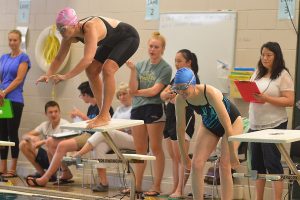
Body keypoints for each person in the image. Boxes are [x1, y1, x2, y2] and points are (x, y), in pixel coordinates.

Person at [36, 7, 140, 129]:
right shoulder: (68, 35)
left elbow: (87, 59)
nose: (61, 32)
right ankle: (103, 113)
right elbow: (59, 58)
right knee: (91, 70)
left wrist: (66, 76)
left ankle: (104, 115)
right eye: (59, 29)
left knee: (108, 69)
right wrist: (48, 74)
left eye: (63, 28)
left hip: (128, 37)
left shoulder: (89, 27)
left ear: (74, 25)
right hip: (111, 42)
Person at [174, 67, 243, 200]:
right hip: (210, 126)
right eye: (177, 89)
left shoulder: (209, 92)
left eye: (184, 88)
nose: (181, 92)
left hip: (232, 123)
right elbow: (180, 129)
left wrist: (233, 155)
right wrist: (184, 157)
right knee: (196, 164)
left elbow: (227, 124)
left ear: (193, 84)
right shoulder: (180, 99)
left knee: (224, 164)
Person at [26, 81, 112, 187]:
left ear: (86, 94)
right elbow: (89, 124)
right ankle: (65, 172)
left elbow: (104, 125)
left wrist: (81, 115)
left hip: (95, 137)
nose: (82, 98)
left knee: (61, 145)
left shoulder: (104, 106)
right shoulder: (91, 107)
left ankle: (45, 177)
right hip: (86, 134)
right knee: (50, 142)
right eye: (50, 112)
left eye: (81, 95)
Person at [125, 32, 172, 196]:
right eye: (151, 46)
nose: (152, 49)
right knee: (139, 149)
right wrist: (132, 71)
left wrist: (137, 92)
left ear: (162, 49)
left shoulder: (165, 68)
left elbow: (155, 92)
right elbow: (131, 90)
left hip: (154, 108)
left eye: (156, 47)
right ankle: (136, 185)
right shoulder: (139, 65)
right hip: (138, 108)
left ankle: (157, 186)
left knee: (155, 147)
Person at [249, 42, 294, 200]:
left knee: (272, 163)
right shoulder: (257, 73)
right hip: (255, 124)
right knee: (256, 165)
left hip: (274, 124)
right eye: (263, 55)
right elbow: (252, 93)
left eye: (269, 55)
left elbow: (290, 101)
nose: (265, 58)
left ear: (277, 56)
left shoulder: (283, 74)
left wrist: (266, 98)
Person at [73, 82, 135, 192]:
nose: (122, 97)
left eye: (124, 94)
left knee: (107, 132)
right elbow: (111, 124)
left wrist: (117, 128)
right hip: (118, 137)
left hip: (133, 139)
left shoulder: (135, 108)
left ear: (130, 94)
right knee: (99, 145)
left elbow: (133, 128)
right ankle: (103, 182)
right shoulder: (119, 109)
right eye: (120, 95)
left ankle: (79, 154)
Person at [160, 49, 200, 198]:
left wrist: (170, 96)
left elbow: (181, 98)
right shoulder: (176, 78)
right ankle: (175, 187)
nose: (176, 64)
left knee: (182, 157)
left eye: (179, 61)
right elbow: (163, 94)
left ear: (189, 62)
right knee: (174, 158)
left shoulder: (192, 78)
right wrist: (168, 95)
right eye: (175, 61)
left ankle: (180, 189)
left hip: (183, 120)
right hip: (170, 119)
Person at [0, 29, 31, 178]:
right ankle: (3, 167)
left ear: (20, 41)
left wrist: (5, 91)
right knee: (2, 133)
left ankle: (13, 167)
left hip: (14, 99)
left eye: (15, 40)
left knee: (12, 132)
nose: (12, 43)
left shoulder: (23, 58)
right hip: (2, 100)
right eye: (10, 40)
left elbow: (18, 79)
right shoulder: (3, 58)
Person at [19, 101, 68, 180]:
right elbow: (25, 135)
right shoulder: (45, 125)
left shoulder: (65, 125)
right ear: (46, 114)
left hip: (60, 158)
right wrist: (31, 138)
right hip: (47, 156)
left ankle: (53, 174)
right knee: (23, 144)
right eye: (50, 112)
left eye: (56, 112)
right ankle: (42, 173)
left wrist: (42, 141)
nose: (53, 114)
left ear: (59, 112)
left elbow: (64, 142)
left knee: (51, 147)